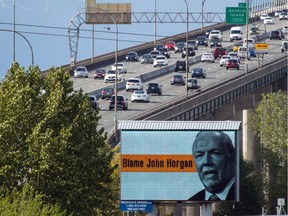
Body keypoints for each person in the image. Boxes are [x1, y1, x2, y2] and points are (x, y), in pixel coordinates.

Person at [188, 131, 236, 201]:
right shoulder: (193, 200)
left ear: (233, 157)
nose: (206, 161)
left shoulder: (246, 195)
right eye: (200, 155)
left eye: (215, 153)